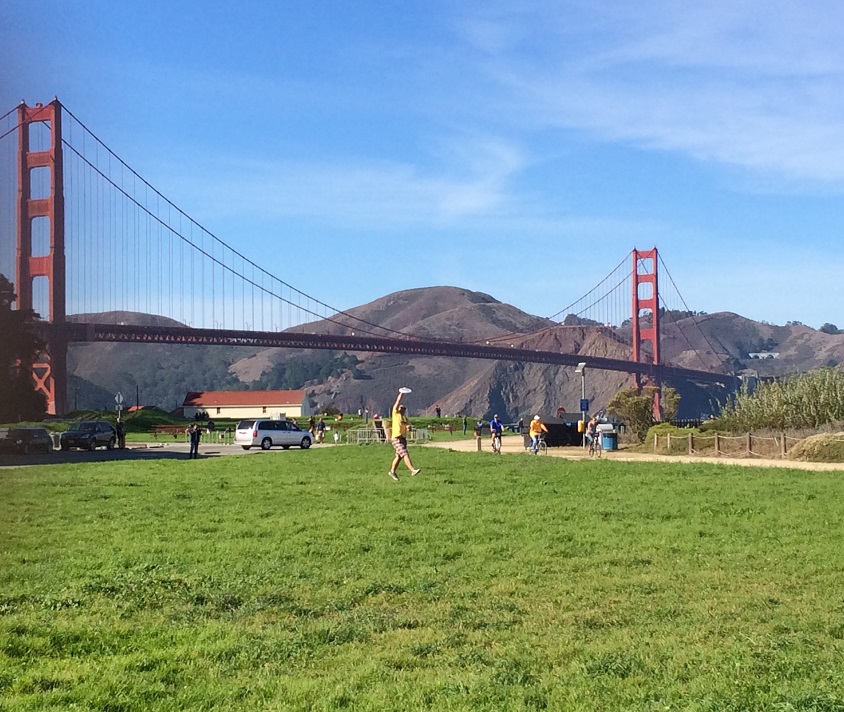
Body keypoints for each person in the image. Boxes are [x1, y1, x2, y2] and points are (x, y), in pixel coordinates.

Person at [387, 389, 421, 481]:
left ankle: (392, 472)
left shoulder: (405, 418)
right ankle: (412, 470)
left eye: (404, 408)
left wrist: (409, 428)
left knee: (398, 456)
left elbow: (408, 427)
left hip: (403, 439)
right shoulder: (395, 414)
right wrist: (401, 393)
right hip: (396, 438)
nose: (402, 409)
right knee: (405, 454)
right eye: (401, 407)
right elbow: (397, 402)